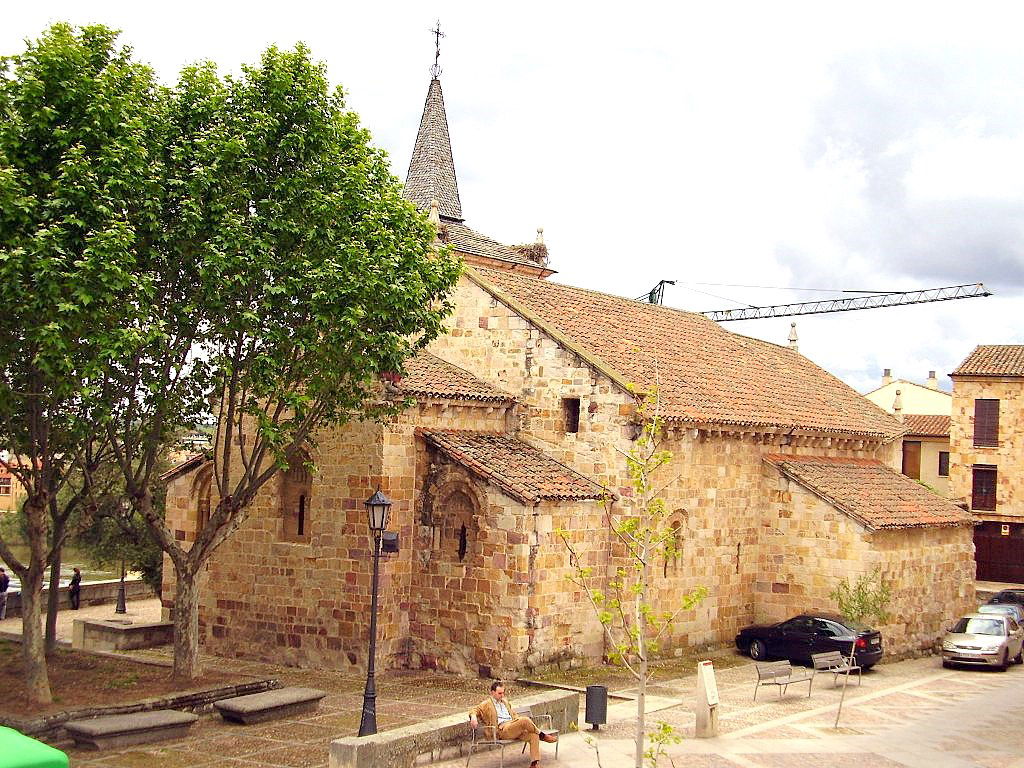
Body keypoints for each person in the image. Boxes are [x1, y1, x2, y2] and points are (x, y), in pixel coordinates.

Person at [468, 680, 556, 768]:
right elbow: (474, 710)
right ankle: (543, 735)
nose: (502, 695)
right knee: (525, 720)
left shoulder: (505, 702)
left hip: (514, 727)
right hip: (503, 730)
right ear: (492, 692)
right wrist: (473, 717)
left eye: (503, 693)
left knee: (533, 735)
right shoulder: (486, 704)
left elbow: (513, 714)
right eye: (499, 693)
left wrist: (518, 722)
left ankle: (534, 765)